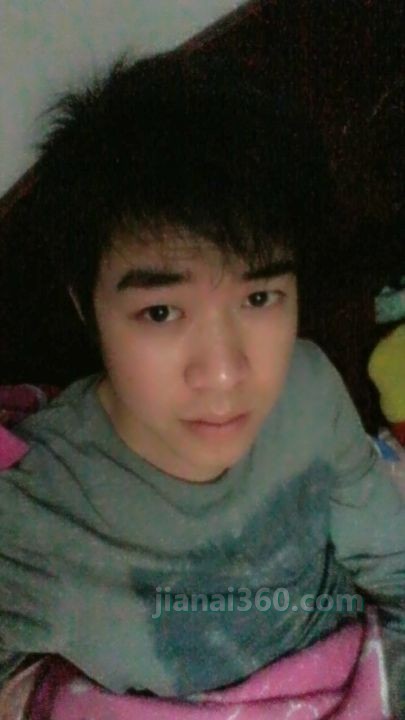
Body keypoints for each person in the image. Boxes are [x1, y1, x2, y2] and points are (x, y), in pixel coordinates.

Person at [0, 50, 404, 717]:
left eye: (259, 298)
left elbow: (394, 565)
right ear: (85, 304)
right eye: (161, 312)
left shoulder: (308, 388)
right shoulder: (35, 513)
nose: (223, 372)